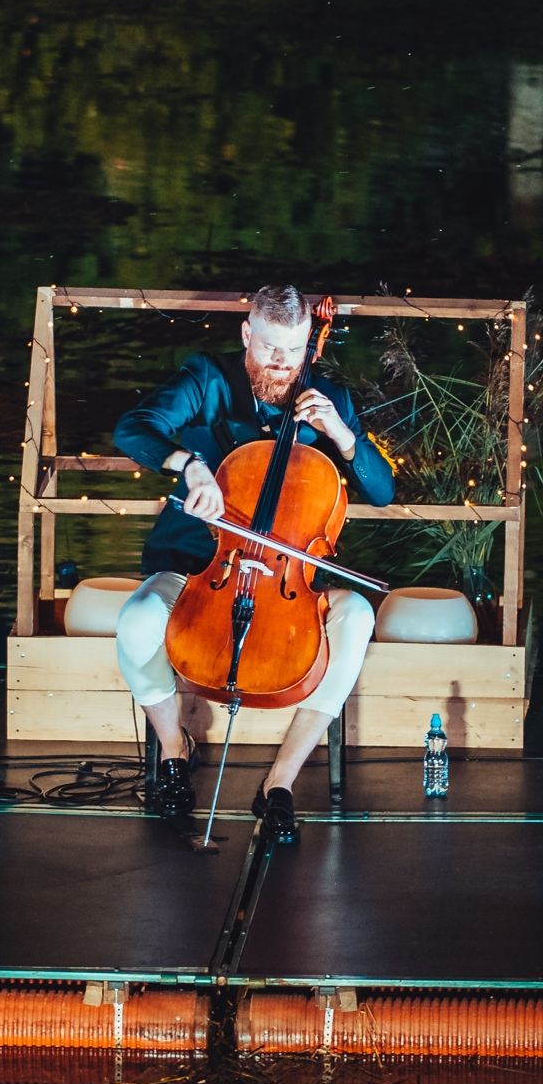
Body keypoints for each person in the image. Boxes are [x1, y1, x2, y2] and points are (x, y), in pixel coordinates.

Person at [110, 285, 397, 848]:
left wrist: (342, 436)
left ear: (309, 342)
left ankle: (279, 783)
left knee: (358, 617)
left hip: (287, 582)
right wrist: (188, 463)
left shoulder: (328, 397)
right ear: (247, 334)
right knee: (138, 618)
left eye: (294, 350)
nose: (282, 363)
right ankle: (175, 749)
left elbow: (382, 491)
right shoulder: (208, 379)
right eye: (269, 348)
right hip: (199, 565)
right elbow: (132, 427)